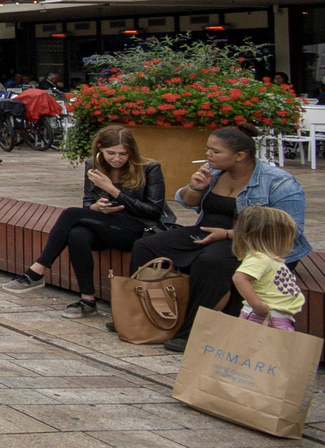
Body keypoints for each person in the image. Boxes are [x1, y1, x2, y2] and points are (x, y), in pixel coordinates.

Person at [126, 123, 310, 352]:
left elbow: (291, 230)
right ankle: (138, 317)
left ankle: (192, 331)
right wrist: (195, 188)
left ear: (240, 156)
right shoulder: (212, 172)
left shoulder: (278, 181)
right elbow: (186, 201)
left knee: (211, 261)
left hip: (258, 244)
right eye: (207, 149)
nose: (208, 155)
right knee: (146, 246)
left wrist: (228, 234)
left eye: (215, 151)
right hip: (207, 231)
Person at [2, 125, 169, 317]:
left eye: (123, 153)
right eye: (111, 153)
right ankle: (88, 300)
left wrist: (114, 191)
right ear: (100, 149)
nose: (117, 158)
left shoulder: (149, 168)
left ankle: (37, 271)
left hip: (139, 229)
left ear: (132, 152)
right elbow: (87, 204)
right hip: (106, 224)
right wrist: (96, 207)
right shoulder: (94, 165)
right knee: (77, 234)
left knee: (71, 214)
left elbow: (154, 211)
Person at [232, 206, 304, 331]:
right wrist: (257, 305)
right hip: (266, 315)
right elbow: (239, 278)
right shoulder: (260, 258)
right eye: (288, 235)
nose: (292, 240)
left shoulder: (269, 259)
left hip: (277, 314)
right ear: (274, 237)